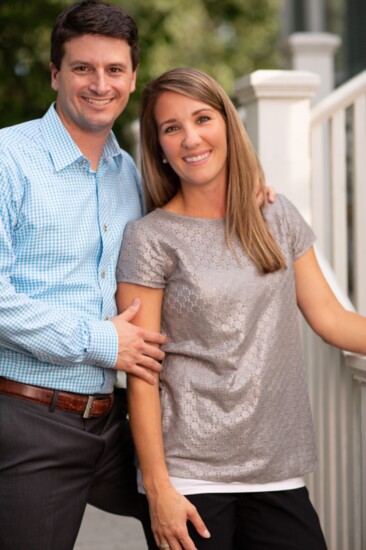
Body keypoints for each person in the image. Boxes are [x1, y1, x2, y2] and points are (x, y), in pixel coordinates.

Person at [116, 67, 366, 550]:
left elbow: (331, 320)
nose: (191, 138)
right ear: (160, 148)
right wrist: (159, 488)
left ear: (228, 124)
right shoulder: (149, 237)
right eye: (172, 128)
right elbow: (141, 372)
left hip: (277, 470)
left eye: (202, 118)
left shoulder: (275, 215)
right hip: (191, 478)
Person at [0, 2, 168, 549]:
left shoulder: (132, 176)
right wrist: (103, 341)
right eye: (82, 68)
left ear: (132, 77)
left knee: (201, 510)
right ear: (55, 74)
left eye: (115, 70)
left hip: (113, 423)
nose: (101, 84)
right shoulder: (9, 158)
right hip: (29, 418)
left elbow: (195, 222)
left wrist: (251, 194)